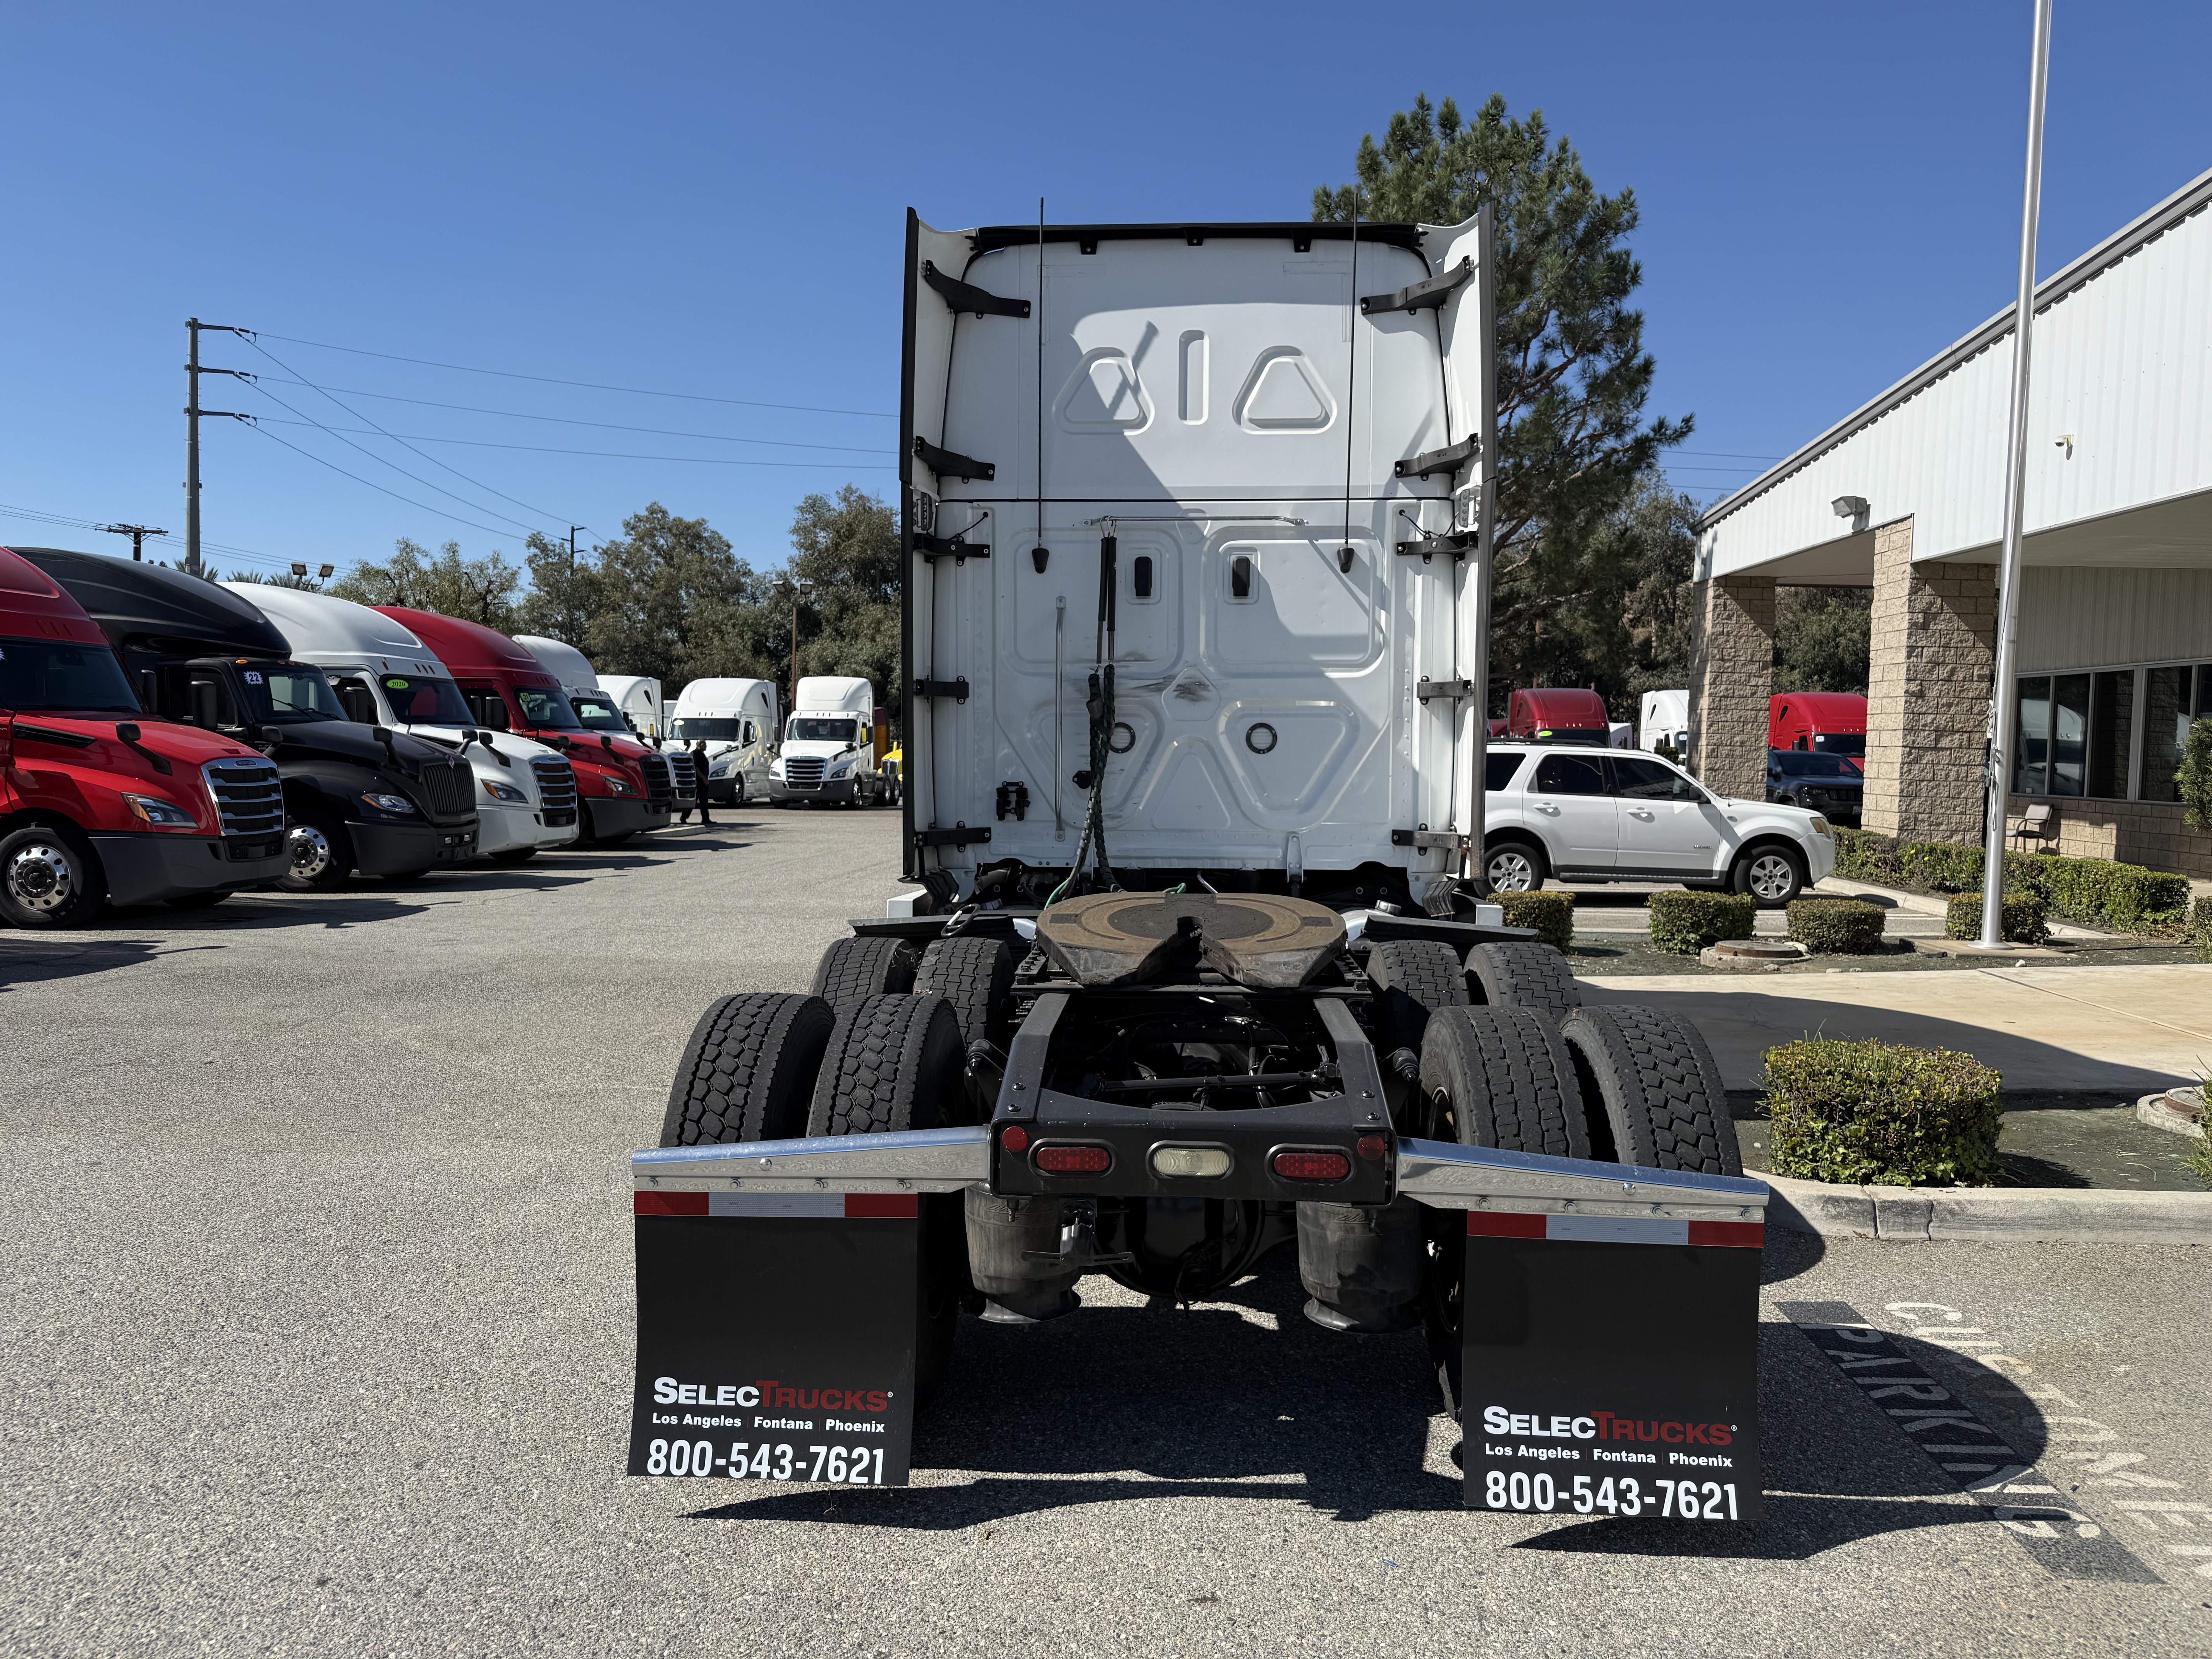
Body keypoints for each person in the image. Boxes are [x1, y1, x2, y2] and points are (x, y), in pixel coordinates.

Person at [691, 738, 713, 828]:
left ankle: (706, 819)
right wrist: (704, 778)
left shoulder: (702, 754)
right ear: (702, 745)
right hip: (698, 782)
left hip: (704, 783)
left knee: (704, 802)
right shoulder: (695, 754)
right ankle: (684, 817)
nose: (706, 746)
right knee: (693, 802)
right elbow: (696, 768)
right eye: (705, 744)